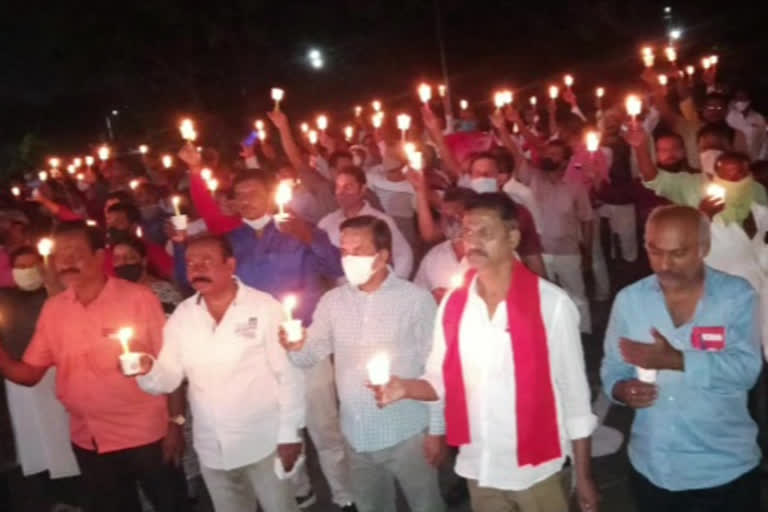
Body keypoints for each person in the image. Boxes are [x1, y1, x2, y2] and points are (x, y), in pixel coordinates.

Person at [371, 193, 599, 512]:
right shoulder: (455, 304)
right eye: (467, 231)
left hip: (537, 469)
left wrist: (585, 475)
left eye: (485, 232)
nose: (472, 241)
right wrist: (404, 387)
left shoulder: (552, 305)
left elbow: (575, 396)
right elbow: (439, 379)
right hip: (480, 466)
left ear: (513, 237)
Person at [177, 147, 352, 509]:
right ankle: (300, 488)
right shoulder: (233, 243)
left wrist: (309, 237)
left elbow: (337, 268)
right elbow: (191, 277)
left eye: (252, 193)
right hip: (256, 350)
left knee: (324, 425)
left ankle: (344, 494)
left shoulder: (299, 229)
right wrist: (181, 247)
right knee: (280, 427)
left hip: (304, 342)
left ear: (271, 194)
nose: (244, 201)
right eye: (238, 196)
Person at [0, 221, 186, 512]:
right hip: (90, 439)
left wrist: (176, 423)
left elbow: (171, 366)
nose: (66, 263)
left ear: (100, 256)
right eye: (60, 256)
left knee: (170, 505)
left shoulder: (138, 299)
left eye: (75, 253)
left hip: (147, 435)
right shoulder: (54, 309)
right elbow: (29, 374)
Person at [600, 205, 762, 511]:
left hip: (722, 469)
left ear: (704, 248)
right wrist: (622, 389)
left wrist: (677, 360)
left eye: (678, 253)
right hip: (653, 466)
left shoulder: (736, 296)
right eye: (655, 251)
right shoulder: (630, 301)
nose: (665, 264)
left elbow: (746, 371)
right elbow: (613, 368)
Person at [280, 215, 446, 512]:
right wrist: (295, 345)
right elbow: (310, 355)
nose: (348, 258)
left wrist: (436, 431)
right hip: (356, 434)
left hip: (407, 431)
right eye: (344, 251)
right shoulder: (333, 301)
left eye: (357, 251)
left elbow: (436, 369)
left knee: (426, 505)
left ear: (381, 256)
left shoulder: (415, 300)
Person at [136, 234, 305, 512]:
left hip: (263, 440)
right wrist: (147, 369)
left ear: (230, 265)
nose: (197, 269)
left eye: (206, 261)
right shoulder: (183, 316)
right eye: (191, 263)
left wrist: (290, 434)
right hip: (212, 447)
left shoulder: (264, 308)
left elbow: (289, 375)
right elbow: (168, 377)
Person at [0, 246, 81, 510]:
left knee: (63, 433)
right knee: (33, 436)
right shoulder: (5, 298)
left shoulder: (57, 295)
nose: (26, 272)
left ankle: (76, 493)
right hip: (19, 376)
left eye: (31, 265)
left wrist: (52, 284)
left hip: (57, 374)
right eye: (20, 267)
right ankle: (52, 495)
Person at [517, 140, 596, 333]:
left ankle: (584, 332)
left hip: (567, 250)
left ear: (565, 160)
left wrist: (587, 250)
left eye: (555, 154)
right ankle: (552, 334)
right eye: (547, 152)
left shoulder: (575, 186)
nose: (549, 156)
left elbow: (587, 219)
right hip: (539, 252)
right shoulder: (533, 179)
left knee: (577, 295)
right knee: (544, 294)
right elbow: (517, 155)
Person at [317, 165, 414, 279]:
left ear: (362, 190)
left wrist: (393, 286)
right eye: (338, 187)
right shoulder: (326, 223)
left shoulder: (380, 221)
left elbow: (403, 255)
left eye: (348, 187)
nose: (341, 192)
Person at [414, 187, 476, 303]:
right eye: (445, 216)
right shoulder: (433, 256)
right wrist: (431, 298)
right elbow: (416, 298)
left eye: (456, 216)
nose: (450, 223)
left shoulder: (490, 258)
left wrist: (456, 300)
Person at [112, 235, 183, 314]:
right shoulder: (115, 293)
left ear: (144, 261)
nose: (122, 263)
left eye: (129, 257)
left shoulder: (164, 291)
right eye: (117, 259)